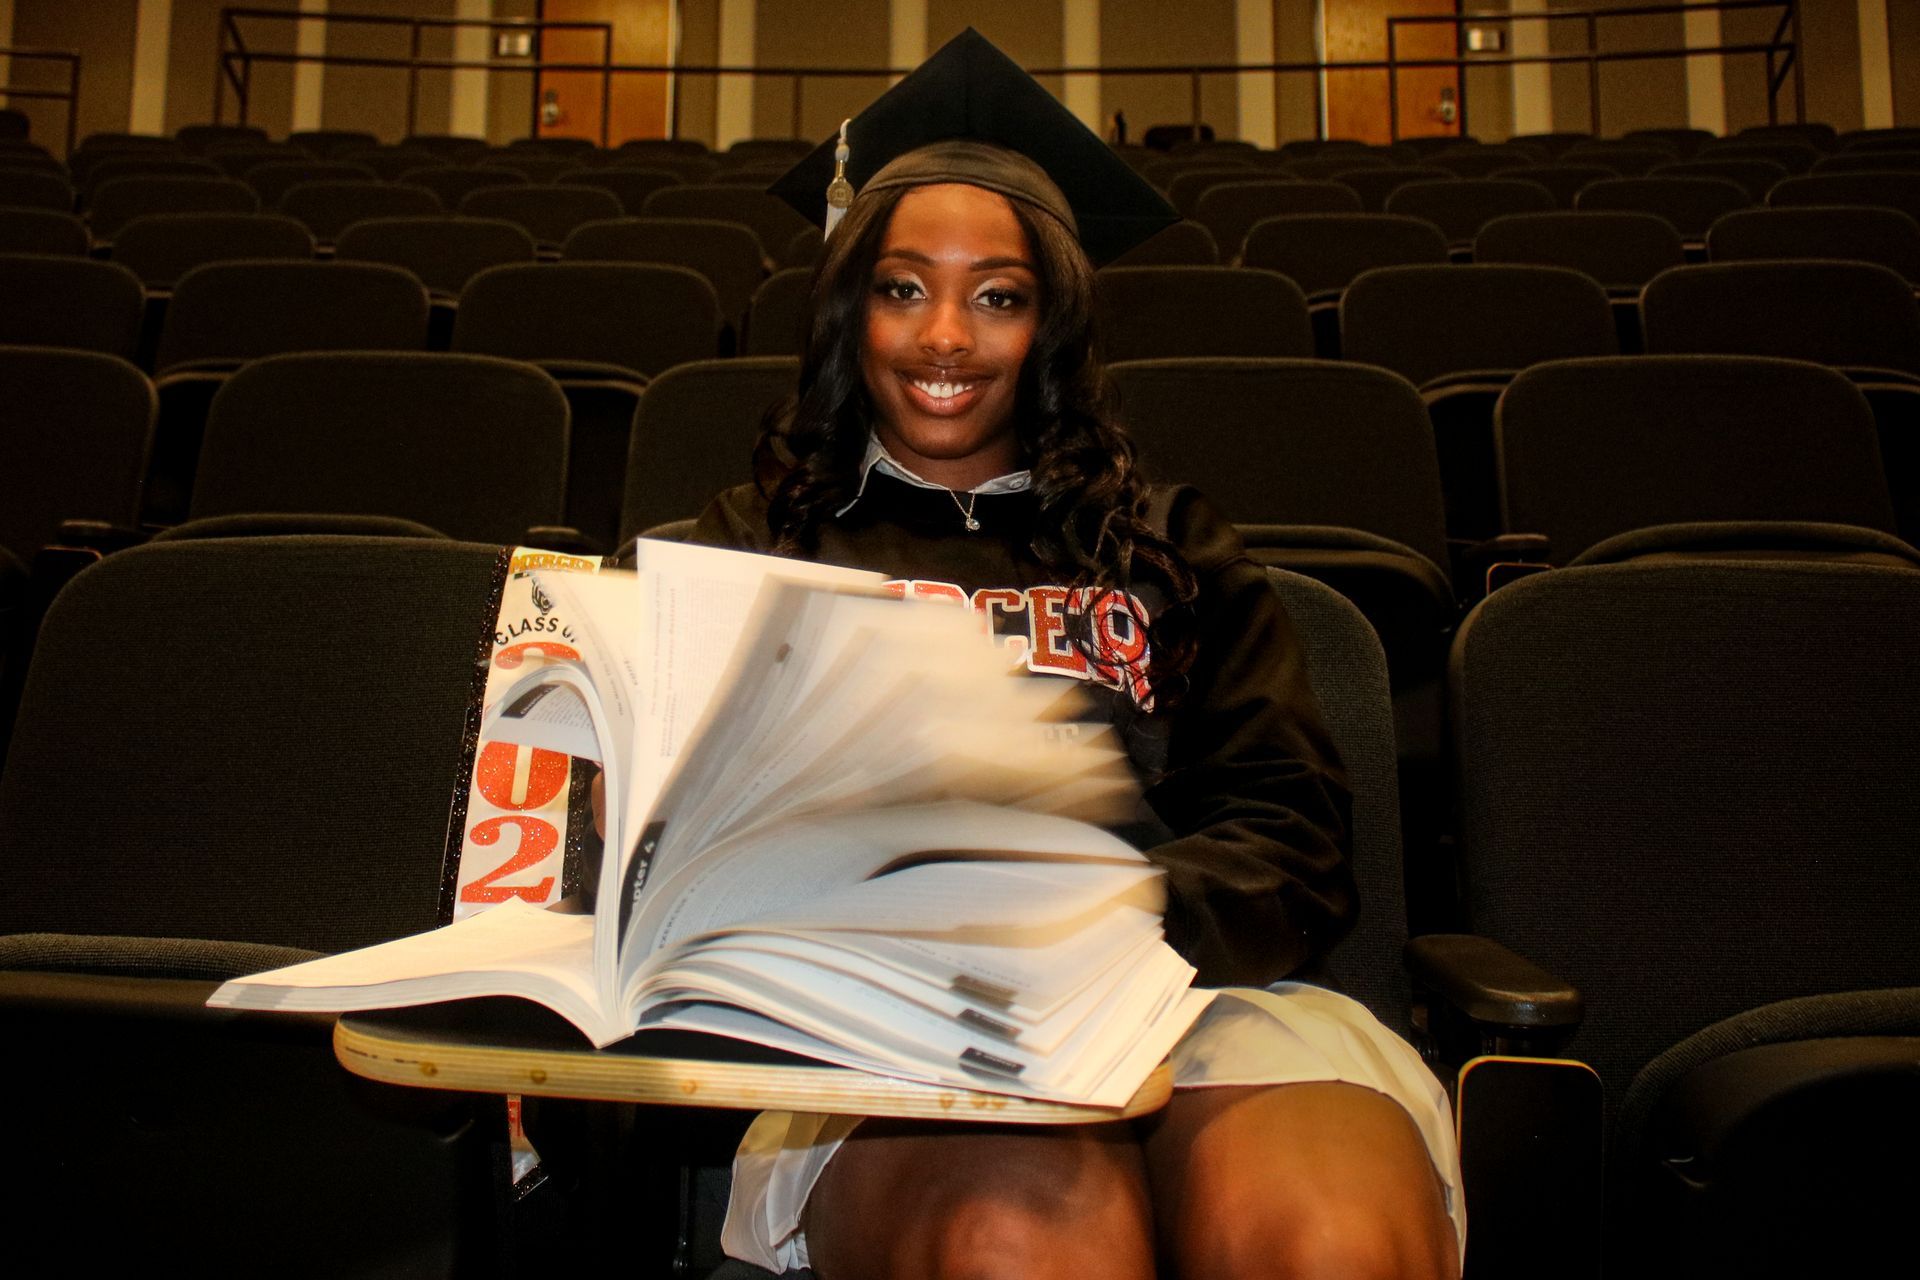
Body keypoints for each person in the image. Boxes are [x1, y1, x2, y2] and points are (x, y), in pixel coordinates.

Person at [611, 31, 1465, 1279]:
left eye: (998, 295)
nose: (945, 336)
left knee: (1325, 1236)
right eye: (903, 287)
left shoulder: (1171, 545)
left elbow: (1290, 834)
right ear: (850, 308)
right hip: (888, 1032)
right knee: (1019, 1236)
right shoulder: (756, 545)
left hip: (1193, 994)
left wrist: (1093, 930)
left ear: (1052, 320)